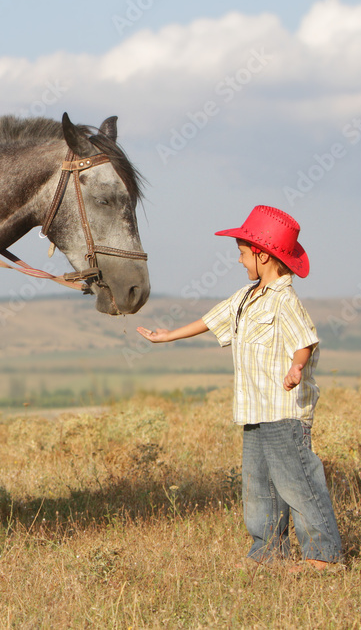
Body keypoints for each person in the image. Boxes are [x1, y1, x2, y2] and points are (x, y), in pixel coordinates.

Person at [137, 205, 343, 572]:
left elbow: (305, 342)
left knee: (298, 484)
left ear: (262, 255)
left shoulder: (284, 299)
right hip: (254, 412)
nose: (239, 260)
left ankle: (322, 556)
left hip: (283, 412)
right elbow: (211, 319)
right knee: (259, 488)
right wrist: (168, 336)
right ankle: (267, 554)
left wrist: (297, 368)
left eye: (243, 253)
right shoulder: (245, 298)